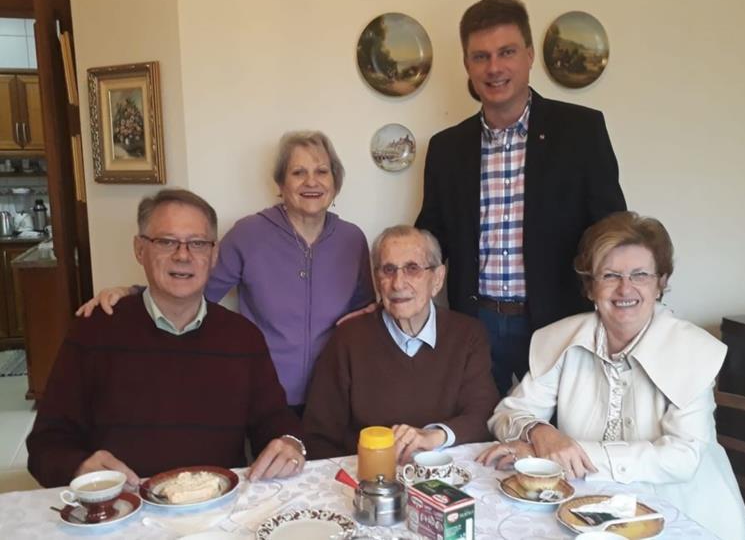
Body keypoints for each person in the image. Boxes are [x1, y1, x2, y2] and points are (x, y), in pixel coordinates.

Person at [476, 211, 745, 540]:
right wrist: (538, 431)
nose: (625, 288)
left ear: (661, 283)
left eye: (640, 275)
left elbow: (681, 458)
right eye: (609, 276)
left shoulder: (692, 350)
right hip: (586, 509)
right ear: (591, 287)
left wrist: (562, 452)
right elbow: (507, 414)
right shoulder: (561, 339)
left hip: (683, 510)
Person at [415, 0, 626, 396]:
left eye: (506, 52)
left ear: (529, 55)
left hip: (557, 320)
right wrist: (398, 281)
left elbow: (611, 230)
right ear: (467, 65)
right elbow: (432, 235)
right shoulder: (446, 147)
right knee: (479, 440)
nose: (494, 68)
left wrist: (623, 304)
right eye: (480, 56)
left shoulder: (581, 131)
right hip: (475, 322)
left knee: (560, 441)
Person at [76, 131, 374, 414]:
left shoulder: (352, 239)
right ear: (280, 184)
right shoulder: (250, 234)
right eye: (298, 172)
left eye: (322, 171)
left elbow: (365, 315)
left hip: (334, 395)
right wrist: (132, 293)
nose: (312, 181)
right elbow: (194, 291)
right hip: (266, 392)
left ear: (335, 182)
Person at [27, 189, 306, 488]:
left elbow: (276, 421)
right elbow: (45, 445)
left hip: (216, 512)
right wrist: (79, 466)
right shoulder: (94, 330)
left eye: (197, 243)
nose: (183, 255)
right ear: (139, 249)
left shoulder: (243, 337)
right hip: (126, 511)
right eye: (166, 241)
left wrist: (290, 443)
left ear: (213, 255)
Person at [303, 226, 499, 463]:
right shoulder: (349, 338)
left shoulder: (468, 334)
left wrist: (433, 436)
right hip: (371, 476)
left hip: (442, 473)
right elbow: (318, 435)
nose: (397, 284)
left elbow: (483, 415)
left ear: (437, 279)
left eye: (412, 268)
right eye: (388, 270)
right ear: (377, 280)